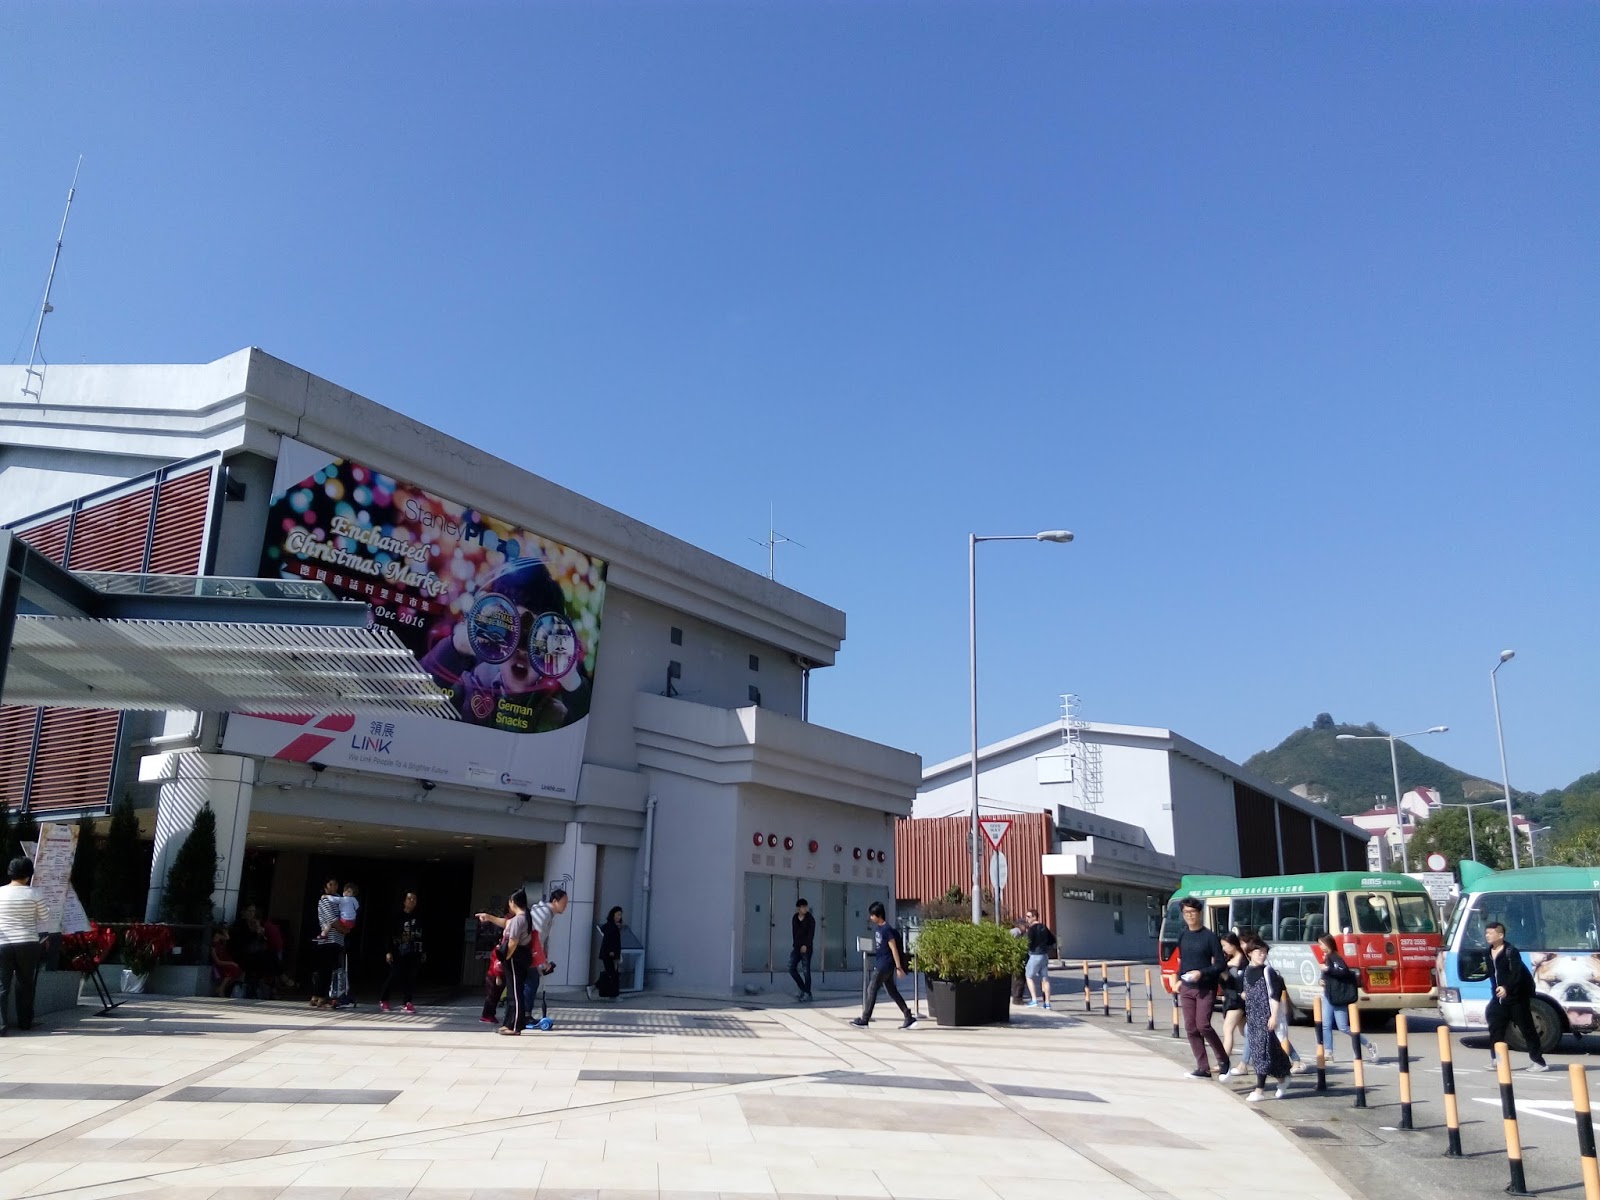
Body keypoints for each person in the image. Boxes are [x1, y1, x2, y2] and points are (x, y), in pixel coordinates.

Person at [1174, 897, 1230, 1079]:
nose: (1189, 916)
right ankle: (1202, 1068)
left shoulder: (1210, 937)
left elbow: (1220, 964)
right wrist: (1178, 978)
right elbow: (1183, 961)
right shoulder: (1183, 935)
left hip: (1206, 987)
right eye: (1186, 913)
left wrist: (1202, 973)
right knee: (1190, 1028)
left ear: (1200, 913)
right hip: (1187, 987)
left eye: (1192, 912)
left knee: (1203, 1025)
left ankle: (1223, 1059)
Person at [1485, 921, 1549, 1072]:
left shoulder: (1511, 952)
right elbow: (1492, 974)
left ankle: (1539, 1062)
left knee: (1527, 1029)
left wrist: (1506, 987)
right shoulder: (1488, 952)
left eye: (1490, 933)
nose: (1487, 935)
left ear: (1500, 935)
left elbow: (1516, 973)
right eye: (1486, 933)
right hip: (1499, 999)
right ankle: (1497, 1060)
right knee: (1495, 1027)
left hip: (1516, 998)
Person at [0, 857, 49, 1034]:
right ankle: (25, 1022)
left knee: (2, 985)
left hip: (3, 943)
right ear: (28, 875)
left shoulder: (0, 892)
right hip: (28, 942)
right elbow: (45, 917)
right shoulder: (34, 894)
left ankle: (1, 1025)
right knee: (25, 983)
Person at [1241, 938, 1294, 1102]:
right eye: (1259, 952)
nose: (1262, 955)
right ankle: (1283, 1077)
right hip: (1253, 1017)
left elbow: (1275, 994)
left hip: (1266, 1016)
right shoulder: (1247, 971)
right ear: (1250, 953)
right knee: (1270, 1051)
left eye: (1264, 952)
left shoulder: (1268, 971)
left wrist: (1273, 1016)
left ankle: (1259, 1090)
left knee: (1260, 1053)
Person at [851, 901, 916, 1029]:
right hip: (882, 963)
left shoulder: (887, 930)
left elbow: (894, 949)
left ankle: (865, 1019)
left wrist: (898, 967)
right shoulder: (879, 929)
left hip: (884, 965)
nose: (870, 917)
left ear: (879, 915)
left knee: (872, 988)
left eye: (872, 915)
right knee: (892, 991)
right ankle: (908, 1016)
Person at [476, 890, 533, 1036]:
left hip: (515, 958)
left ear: (513, 902)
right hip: (516, 957)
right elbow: (505, 923)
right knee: (512, 993)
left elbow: (513, 942)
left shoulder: (519, 919)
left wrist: (505, 957)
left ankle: (515, 1025)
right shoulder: (519, 918)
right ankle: (509, 1023)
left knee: (515, 993)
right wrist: (489, 917)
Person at [1317, 934, 1378, 1064]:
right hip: (1328, 994)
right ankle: (1328, 1052)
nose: (1320, 946)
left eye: (1321, 944)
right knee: (1326, 1024)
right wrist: (1321, 980)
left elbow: (1343, 971)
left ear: (1328, 943)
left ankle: (1369, 1045)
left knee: (1343, 1027)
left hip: (1338, 996)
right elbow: (1326, 976)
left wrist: (1328, 969)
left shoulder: (1335, 957)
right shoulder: (1327, 957)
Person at [522, 889, 567, 1024]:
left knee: (530, 982)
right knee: (531, 982)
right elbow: (537, 938)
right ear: (555, 901)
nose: (565, 906)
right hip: (528, 953)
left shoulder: (547, 913)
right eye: (564, 902)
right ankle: (525, 1014)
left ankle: (524, 1013)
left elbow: (543, 940)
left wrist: (544, 959)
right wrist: (541, 961)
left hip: (530, 953)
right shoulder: (544, 914)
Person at [379, 891, 425, 1013]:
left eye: (414, 899)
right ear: (404, 901)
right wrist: (388, 951)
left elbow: (422, 934)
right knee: (394, 974)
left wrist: (423, 951)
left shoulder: (419, 916)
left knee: (411, 977)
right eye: (409, 899)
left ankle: (407, 1002)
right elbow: (388, 934)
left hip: (414, 950)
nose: (412, 901)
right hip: (399, 950)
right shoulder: (397, 916)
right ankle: (384, 999)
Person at [1216, 932, 1248, 1078]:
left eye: (1225, 945)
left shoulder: (1244, 961)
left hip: (1238, 1000)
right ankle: (1259, 1056)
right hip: (1229, 998)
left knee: (1227, 1029)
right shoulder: (1227, 959)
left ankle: (1223, 1062)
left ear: (1233, 944)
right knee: (1246, 1032)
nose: (1224, 949)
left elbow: (1240, 981)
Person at [309, 877, 343, 1010]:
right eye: (331, 884)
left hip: (337, 939)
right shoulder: (325, 900)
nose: (334, 886)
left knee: (326, 968)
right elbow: (332, 919)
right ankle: (321, 996)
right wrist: (344, 929)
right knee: (325, 969)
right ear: (325, 887)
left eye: (336, 884)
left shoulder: (338, 899)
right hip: (329, 939)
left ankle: (317, 996)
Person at [331, 883, 361, 1009]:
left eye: (350, 892)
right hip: (338, 937)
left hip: (345, 937)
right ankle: (337, 994)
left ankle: (343, 994)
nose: (347, 894)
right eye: (346, 891)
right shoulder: (341, 901)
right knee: (338, 967)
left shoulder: (349, 903)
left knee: (344, 966)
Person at [1023, 909, 1057, 1009]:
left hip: (1034, 955)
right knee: (1045, 978)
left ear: (1034, 917)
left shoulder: (1032, 929)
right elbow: (1052, 940)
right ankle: (1047, 1003)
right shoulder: (1044, 927)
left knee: (1029, 976)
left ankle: (1034, 1000)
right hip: (1044, 955)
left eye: (1028, 917)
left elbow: (1028, 943)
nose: (1027, 919)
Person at [591, 905, 623, 1001]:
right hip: (610, 954)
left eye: (620, 915)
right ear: (613, 915)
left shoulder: (611, 926)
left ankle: (596, 988)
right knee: (612, 974)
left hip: (610, 954)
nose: (619, 917)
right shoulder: (611, 927)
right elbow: (610, 941)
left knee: (611, 973)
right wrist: (612, 951)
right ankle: (611, 995)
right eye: (618, 915)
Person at [789, 898, 815, 1002]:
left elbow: (811, 934)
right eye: (803, 907)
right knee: (791, 968)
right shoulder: (795, 918)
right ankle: (803, 989)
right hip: (796, 948)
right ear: (798, 908)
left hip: (806, 949)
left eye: (806, 907)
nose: (805, 909)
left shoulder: (810, 919)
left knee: (806, 971)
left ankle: (808, 993)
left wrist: (806, 945)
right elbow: (794, 933)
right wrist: (796, 945)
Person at [211, 927, 243, 998]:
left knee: (236, 970)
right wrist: (231, 963)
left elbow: (227, 938)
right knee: (231, 971)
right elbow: (218, 962)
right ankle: (221, 989)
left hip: (224, 963)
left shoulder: (221, 945)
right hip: (220, 965)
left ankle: (221, 988)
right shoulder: (214, 947)